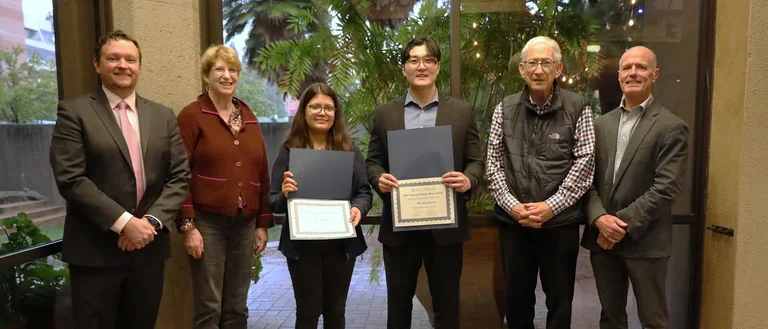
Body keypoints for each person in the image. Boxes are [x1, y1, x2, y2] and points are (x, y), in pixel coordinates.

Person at [49, 30, 190, 329]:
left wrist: (150, 223)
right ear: (97, 65)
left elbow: (179, 177)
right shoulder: (74, 111)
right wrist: (125, 222)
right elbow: (71, 178)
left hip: (148, 250)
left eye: (130, 59)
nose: (122, 65)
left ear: (139, 66)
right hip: (94, 251)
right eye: (113, 58)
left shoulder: (163, 116)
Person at [366, 37, 484, 329]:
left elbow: (477, 161)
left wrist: (468, 179)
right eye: (414, 60)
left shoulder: (461, 112)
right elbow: (372, 161)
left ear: (438, 67)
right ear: (404, 68)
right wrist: (378, 178)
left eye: (428, 60)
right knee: (398, 308)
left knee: (447, 308)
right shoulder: (385, 113)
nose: (422, 66)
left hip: (445, 229)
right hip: (400, 228)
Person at [485, 36, 595, 329]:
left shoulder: (578, 107)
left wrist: (550, 207)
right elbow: (492, 166)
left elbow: (585, 164)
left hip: (559, 226)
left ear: (558, 69)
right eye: (532, 62)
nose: (538, 70)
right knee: (517, 301)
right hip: (515, 226)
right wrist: (514, 208)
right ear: (522, 69)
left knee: (560, 304)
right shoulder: (504, 110)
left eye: (546, 63)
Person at [582, 46, 688, 329]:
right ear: (618, 76)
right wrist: (599, 218)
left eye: (641, 67)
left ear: (655, 75)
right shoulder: (600, 124)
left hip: (646, 242)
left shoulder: (671, 127)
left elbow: (666, 188)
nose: (633, 73)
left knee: (653, 321)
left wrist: (618, 226)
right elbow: (586, 180)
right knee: (611, 318)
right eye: (627, 68)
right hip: (603, 243)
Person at [176, 45, 274, 329]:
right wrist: (188, 225)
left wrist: (262, 224)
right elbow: (179, 173)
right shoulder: (192, 115)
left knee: (237, 305)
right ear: (207, 75)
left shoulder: (248, 115)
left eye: (233, 70)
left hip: (244, 223)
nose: (227, 75)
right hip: (207, 223)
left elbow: (261, 171)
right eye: (219, 69)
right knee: (209, 306)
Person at [268, 82, 372, 329]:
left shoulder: (349, 149)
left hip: (340, 245)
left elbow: (363, 192)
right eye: (315, 106)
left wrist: (358, 207)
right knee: (308, 312)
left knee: (336, 312)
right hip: (303, 248)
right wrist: (284, 194)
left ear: (336, 113)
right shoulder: (289, 151)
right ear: (304, 111)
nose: (322, 112)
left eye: (328, 107)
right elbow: (272, 200)